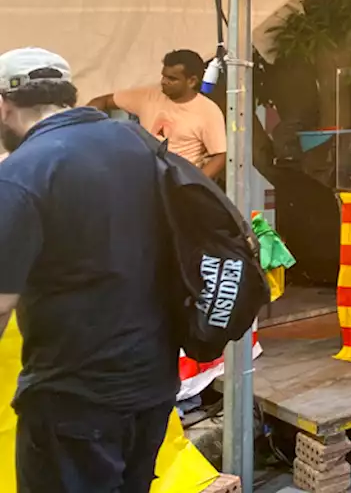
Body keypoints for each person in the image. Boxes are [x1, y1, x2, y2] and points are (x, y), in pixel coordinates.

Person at [0, 48, 177, 492]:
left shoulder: (23, 172)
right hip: (153, 384)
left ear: (4, 105)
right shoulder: (140, 143)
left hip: (73, 400)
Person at [88, 49, 226, 181]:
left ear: (192, 81)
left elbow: (220, 155)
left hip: (179, 182)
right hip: (143, 176)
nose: (163, 82)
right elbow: (102, 101)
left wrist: (195, 182)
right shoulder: (148, 96)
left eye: (172, 78)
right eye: (163, 76)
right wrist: (86, 128)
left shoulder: (208, 111)